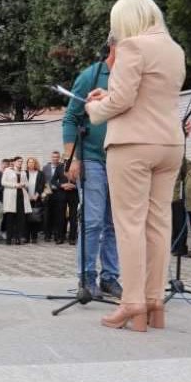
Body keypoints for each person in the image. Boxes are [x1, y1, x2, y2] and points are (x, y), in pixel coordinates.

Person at [85, 0, 186, 331]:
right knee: (159, 223)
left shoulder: (132, 46)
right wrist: (110, 96)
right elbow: (146, 95)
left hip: (133, 144)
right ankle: (155, 301)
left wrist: (95, 108)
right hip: (170, 143)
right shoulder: (175, 50)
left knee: (129, 224)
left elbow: (123, 100)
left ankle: (132, 303)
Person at [63, 40, 123, 297]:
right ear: (113, 46)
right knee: (93, 220)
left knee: (115, 223)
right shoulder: (92, 75)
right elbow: (71, 117)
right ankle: (87, 278)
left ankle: (110, 277)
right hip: (92, 158)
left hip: (121, 160)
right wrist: (72, 158)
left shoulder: (130, 79)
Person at [1, 156, 31, 245]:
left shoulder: (23, 172)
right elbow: (3, 182)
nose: (20, 163)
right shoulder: (8, 171)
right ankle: (9, 239)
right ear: (13, 162)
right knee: (10, 218)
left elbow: (27, 183)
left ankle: (18, 238)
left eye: (21, 161)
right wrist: (15, 185)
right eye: (18, 161)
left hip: (21, 196)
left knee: (20, 219)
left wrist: (23, 184)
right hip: (11, 197)